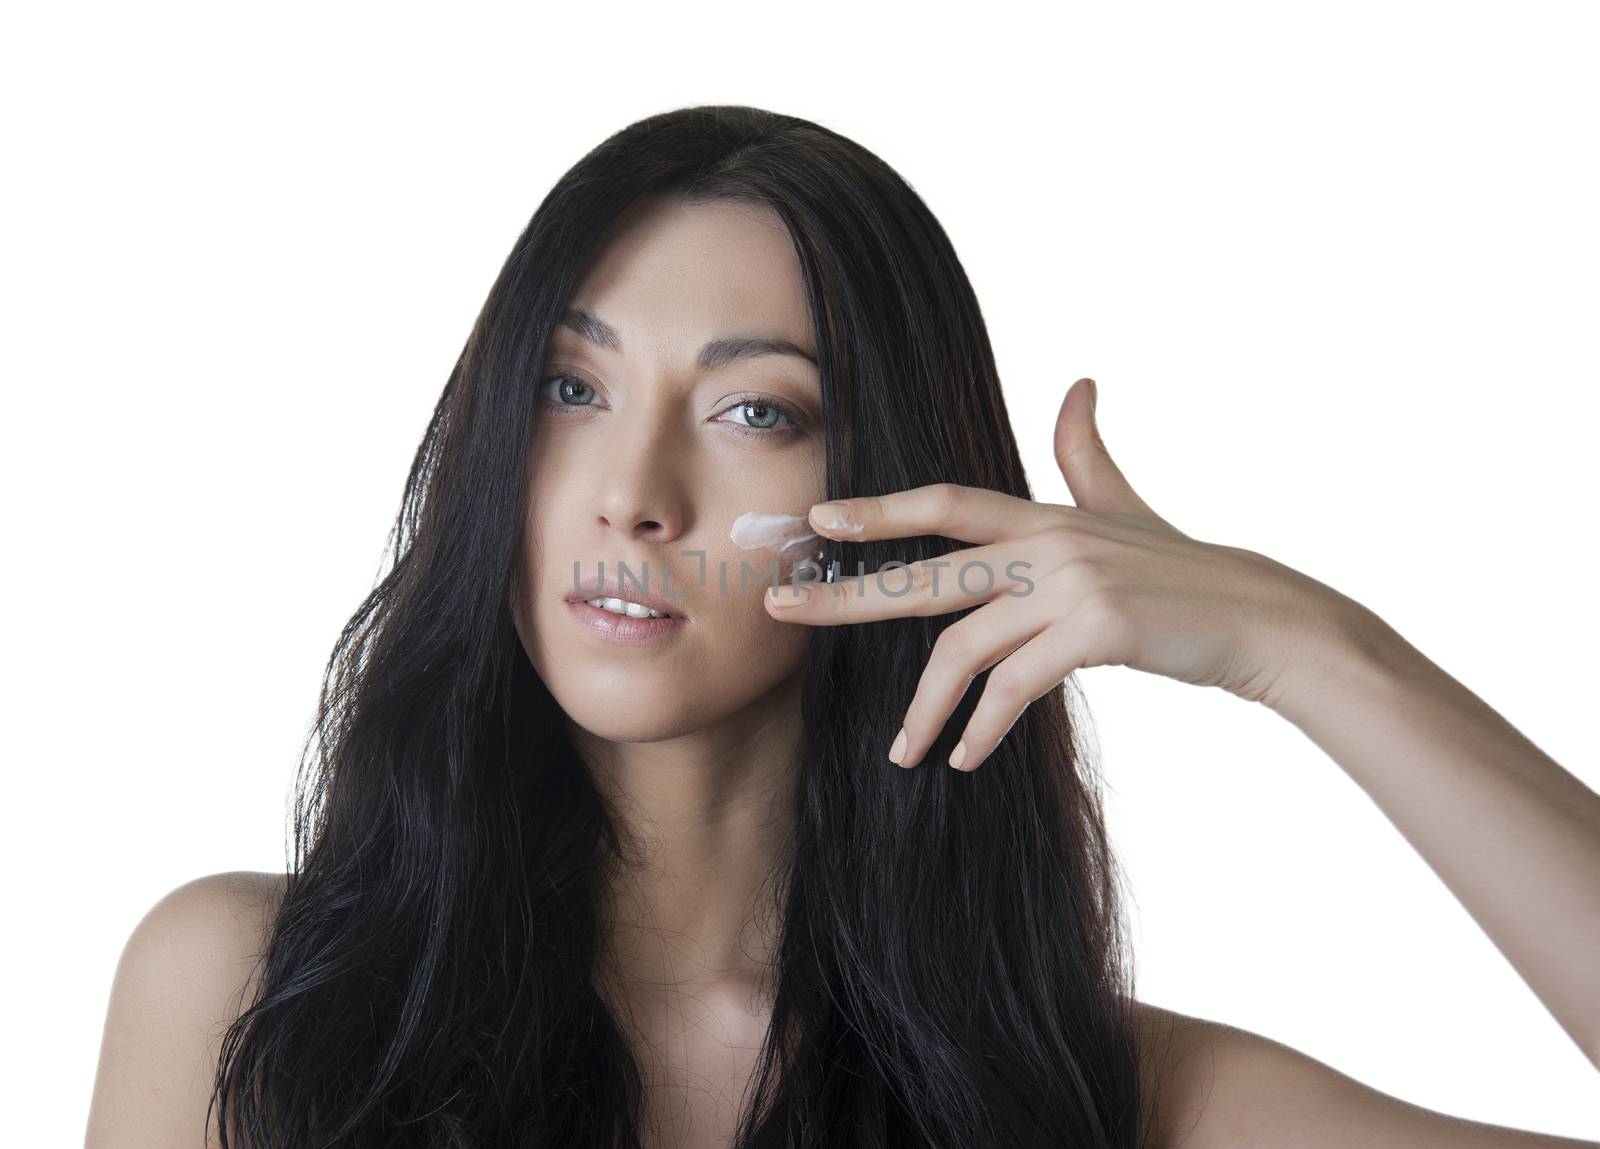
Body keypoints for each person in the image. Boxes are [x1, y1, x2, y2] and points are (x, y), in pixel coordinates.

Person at [84, 104, 1599, 1149]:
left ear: (895, 486)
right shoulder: (249, 991)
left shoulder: (1101, 1099)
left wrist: (1303, 643)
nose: (633, 491)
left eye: (756, 409)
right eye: (572, 386)